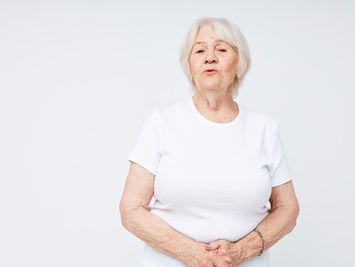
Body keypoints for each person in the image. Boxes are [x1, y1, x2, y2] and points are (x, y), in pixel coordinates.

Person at [119, 17, 300, 267]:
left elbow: (288, 209)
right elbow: (131, 210)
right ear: (190, 66)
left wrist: (241, 251)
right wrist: (191, 253)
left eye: (222, 49)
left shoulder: (264, 129)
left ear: (240, 63)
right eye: (200, 50)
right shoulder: (161, 123)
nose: (210, 57)